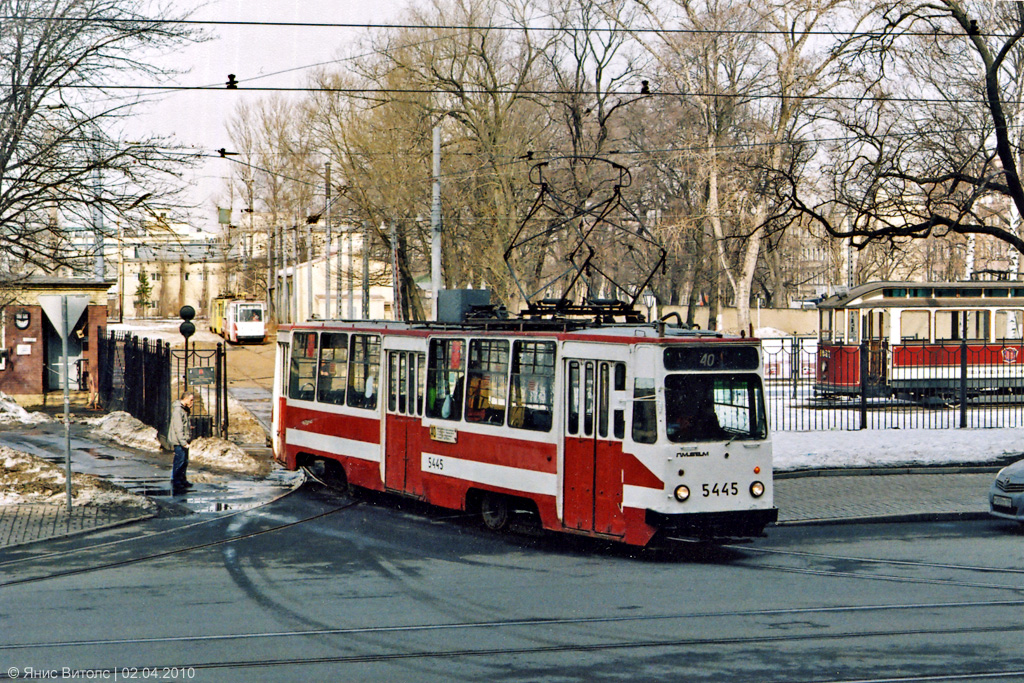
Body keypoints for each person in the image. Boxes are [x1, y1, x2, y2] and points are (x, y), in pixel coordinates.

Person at [168, 391, 194, 493]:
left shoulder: (184, 409)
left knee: (184, 461)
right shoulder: (178, 411)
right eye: (191, 400)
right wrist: (183, 442)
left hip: (183, 440)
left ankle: (182, 479)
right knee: (180, 461)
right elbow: (178, 428)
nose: (192, 402)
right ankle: (177, 481)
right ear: (186, 399)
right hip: (179, 441)